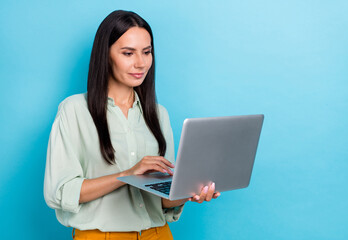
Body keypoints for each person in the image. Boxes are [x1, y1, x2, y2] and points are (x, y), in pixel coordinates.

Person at [44, 10, 220, 240]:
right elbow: (60, 192)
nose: (140, 63)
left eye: (147, 52)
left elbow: (164, 199)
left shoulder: (159, 115)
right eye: (128, 53)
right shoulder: (74, 110)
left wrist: (190, 191)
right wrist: (127, 174)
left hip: (158, 234)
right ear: (105, 55)